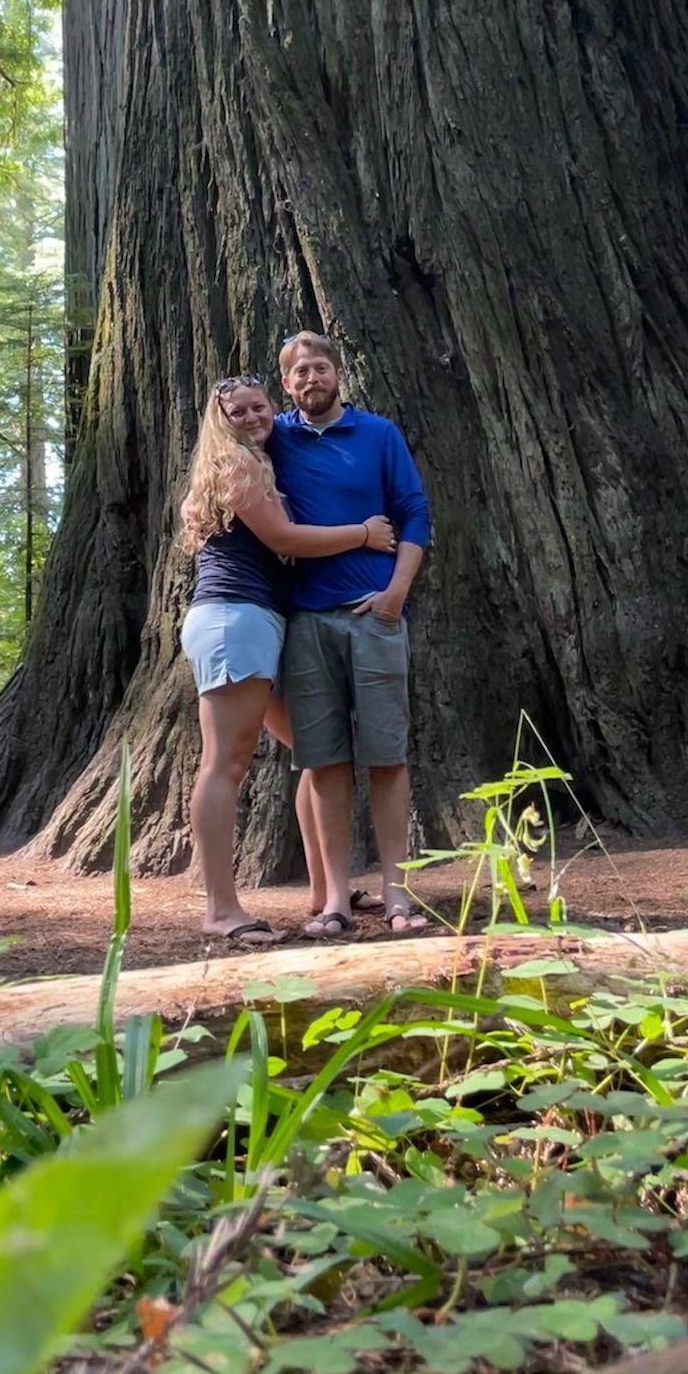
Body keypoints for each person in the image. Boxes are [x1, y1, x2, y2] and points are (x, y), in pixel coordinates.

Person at [178, 373, 397, 946]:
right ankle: (221, 909)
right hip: (234, 618)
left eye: (259, 407)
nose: (252, 418)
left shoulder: (259, 462)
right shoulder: (239, 467)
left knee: (314, 746)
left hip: (261, 619)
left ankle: (328, 892)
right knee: (226, 762)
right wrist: (364, 534)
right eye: (238, 413)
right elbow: (284, 539)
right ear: (221, 421)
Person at [269, 331, 434, 937]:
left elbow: (414, 510)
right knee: (324, 761)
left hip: (375, 617)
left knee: (387, 756)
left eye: (320, 368)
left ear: (338, 374)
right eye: (299, 372)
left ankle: (398, 895)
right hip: (306, 620)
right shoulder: (275, 438)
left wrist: (397, 592)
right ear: (286, 384)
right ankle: (336, 898)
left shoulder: (379, 435)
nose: (311, 379)